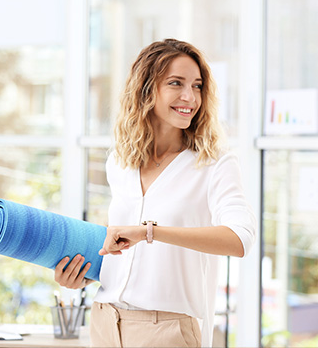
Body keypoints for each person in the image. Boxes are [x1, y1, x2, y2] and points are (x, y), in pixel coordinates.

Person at [54, 38, 256, 347]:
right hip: (106, 320)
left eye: (197, 86)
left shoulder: (214, 164)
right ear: (147, 89)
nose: (190, 96)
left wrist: (150, 232)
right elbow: (126, 256)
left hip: (167, 330)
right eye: (176, 83)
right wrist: (82, 274)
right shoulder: (120, 162)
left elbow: (240, 239)